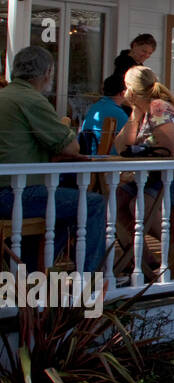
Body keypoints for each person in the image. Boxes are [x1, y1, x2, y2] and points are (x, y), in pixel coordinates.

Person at [0, 46, 107, 271]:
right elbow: (71, 146)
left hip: (9, 192)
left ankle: (29, 271)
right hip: (14, 195)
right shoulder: (31, 100)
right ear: (48, 72)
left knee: (63, 210)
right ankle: (86, 286)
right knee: (93, 204)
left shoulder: (5, 96)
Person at [113, 65, 174, 279]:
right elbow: (120, 146)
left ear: (131, 89)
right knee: (118, 198)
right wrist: (135, 113)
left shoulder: (158, 107)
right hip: (161, 179)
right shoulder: (144, 111)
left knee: (139, 204)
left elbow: (170, 147)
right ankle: (144, 259)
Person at [79, 73, 129, 154]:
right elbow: (132, 140)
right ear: (123, 93)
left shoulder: (96, 107)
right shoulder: (117, 112)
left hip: (89, 156)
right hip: (105, 161)